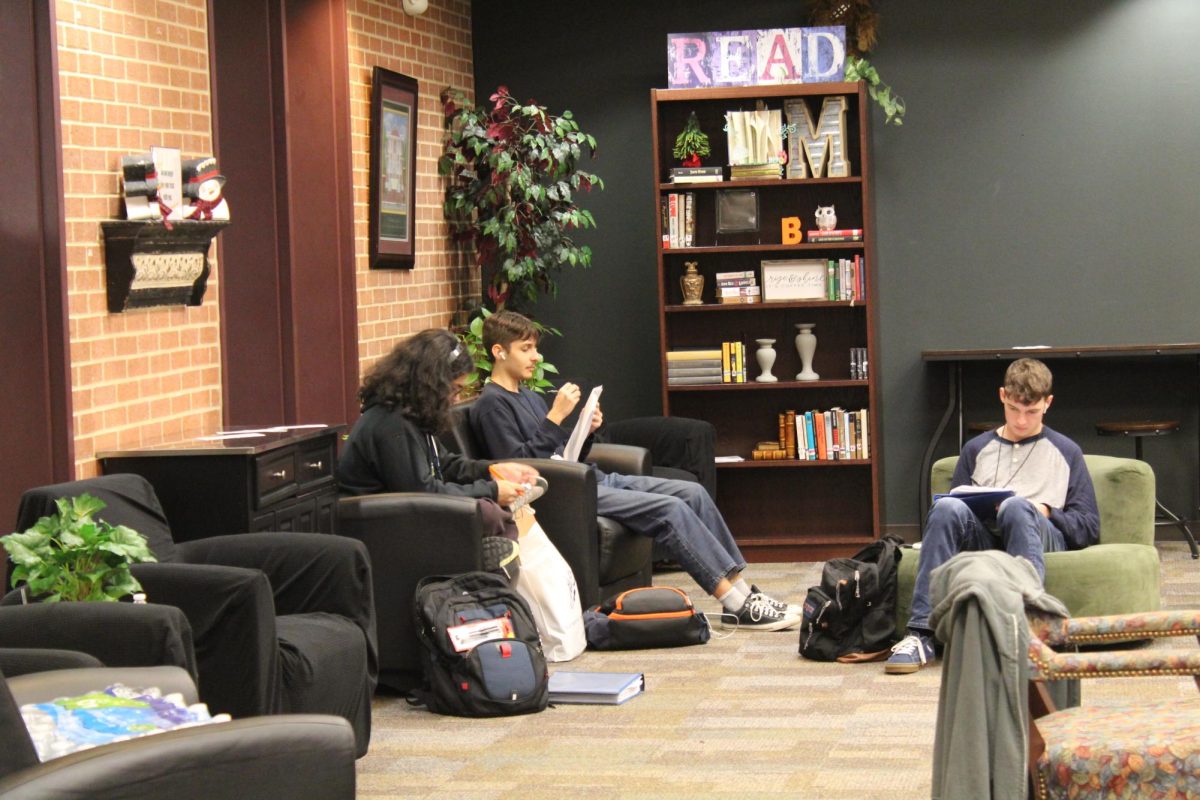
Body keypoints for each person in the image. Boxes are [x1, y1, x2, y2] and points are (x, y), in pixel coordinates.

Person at [467, 310, 799, 631]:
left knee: (692, 492)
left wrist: (586, 430)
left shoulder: (528, 397)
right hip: (564, 494)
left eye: (535, 348)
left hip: (587, 477)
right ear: (499, 352)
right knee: (671, 509)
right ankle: (733, 602)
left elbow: (561, 453)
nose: (536, 356)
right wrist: (555, 418)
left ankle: (742, 594)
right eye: (526, 349)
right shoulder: (491, 404)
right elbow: (517, 468)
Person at [885, 357, 1099, 674]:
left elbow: (1089, 528)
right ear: (1002, 396)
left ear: (1047, 403)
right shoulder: (976, 449)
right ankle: (921, 634)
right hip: (985, 536)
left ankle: (1026, 629)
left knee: (1016, 506)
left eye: (1032, 411)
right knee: (945, 507)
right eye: (1014, 409)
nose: (1022, 421)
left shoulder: (1066, 451)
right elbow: (957, 505)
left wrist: (1046, 510)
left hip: (1040, 533)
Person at [336, 329, 542, 541]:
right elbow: (422, 493)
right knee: (488, 513)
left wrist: (491, 470)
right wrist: (491, 490)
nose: (455, 398)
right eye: (454, 389)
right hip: (377, 529)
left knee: (492, 512)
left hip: (399, 518)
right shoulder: (392, 424)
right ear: (433, 384)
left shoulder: (409, 416)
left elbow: (444, 465)